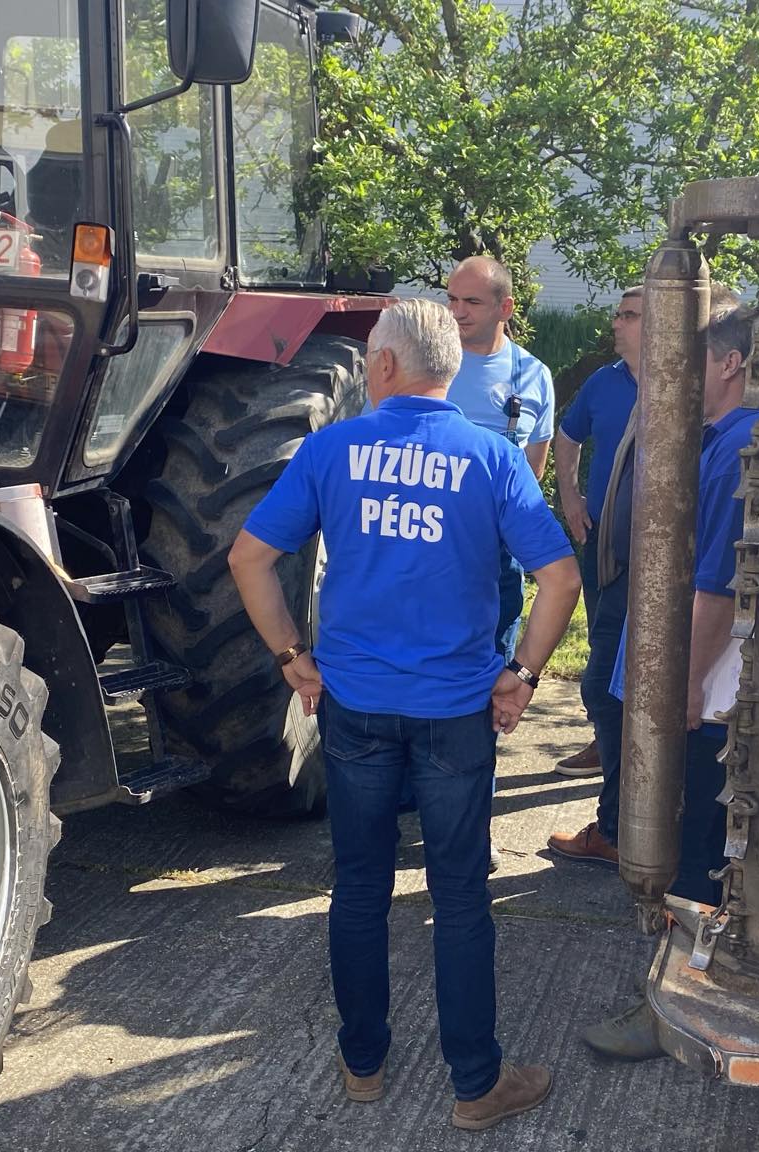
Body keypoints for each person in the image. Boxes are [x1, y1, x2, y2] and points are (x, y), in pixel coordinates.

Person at [227, 298, 581, 1131]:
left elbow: (250, 556)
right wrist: (523, 675)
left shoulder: (331, 449)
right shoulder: (492, 456)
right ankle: (476, 1084)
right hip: (456, 711)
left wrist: (290, 656)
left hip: (353, 707)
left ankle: (363, 1065)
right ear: (450, 369)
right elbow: (560, 577)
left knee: (359, 886)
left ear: (384, 365)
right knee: (458, 896)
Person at [577, 302, 759, 1059]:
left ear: (730, 363)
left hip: (707, 695)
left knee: (692, 851)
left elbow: (716, 588)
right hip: (691, 680)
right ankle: (676, 988)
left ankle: (678, 1010)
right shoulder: (717, 439)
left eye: (689, 360)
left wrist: (681, 684)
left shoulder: (738, 449)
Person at [548, 285, 645, 780]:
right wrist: (570, 498)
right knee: (603, 639)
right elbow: (567, 436)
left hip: (664, 544)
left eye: (629, 316)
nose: (616, 324)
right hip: (605, 537)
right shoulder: (604, 382)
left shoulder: (692, 382)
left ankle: (640, 750)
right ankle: (604, 738)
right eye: (618, 314)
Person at [446, 256, 557, 660]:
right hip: (421, 543)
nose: (458, 312)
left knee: (491, 669)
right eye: (452, 299)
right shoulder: (422, 365)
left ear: (505, 307)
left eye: (472, 302)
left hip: (494, 556)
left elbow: (534, 470)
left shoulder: (533, 376)